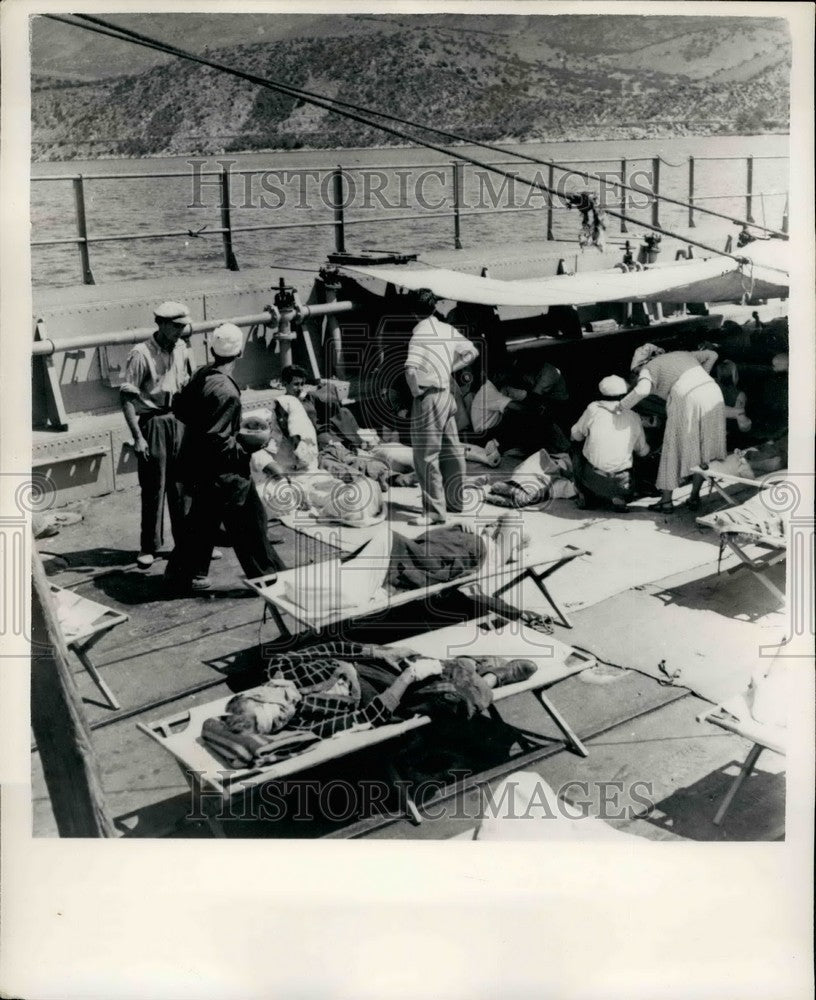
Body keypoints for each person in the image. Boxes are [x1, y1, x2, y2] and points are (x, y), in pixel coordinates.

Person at [201, 641, 538, 766]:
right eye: (277, 725)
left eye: (275, 713)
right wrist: (409, 679)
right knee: (452, 702)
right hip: (390, 698)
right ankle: (494, 675)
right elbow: (368, 718)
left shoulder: (282, 667)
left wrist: (382, 652)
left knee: (428, 667)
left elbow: (333, 648)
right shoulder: (305, 725)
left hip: (370, 669)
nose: (285, 716)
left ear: (262, 693)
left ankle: (468, 669)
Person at [165, 323, 284, 593]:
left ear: (213, 349)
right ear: (240, 352)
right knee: (250, 524)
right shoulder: (226, 392)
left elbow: (181, 408)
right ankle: (266, 578)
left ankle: (185, 575)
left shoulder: (202, 374)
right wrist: (253, 444)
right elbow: (218, 443)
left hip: (197, 466)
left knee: (201, 523)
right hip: (224, 473)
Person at [120, 301, 192, 569]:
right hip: (153, 423)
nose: (180, 332)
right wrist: (138, 437)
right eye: (175, 327)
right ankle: (149, 546)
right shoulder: (141, 354)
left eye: (182, 327)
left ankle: (187, 542)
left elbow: (186, 383)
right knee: (154, 487)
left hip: (179, 419)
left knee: (183, 487)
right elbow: (126, 398)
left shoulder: (183, 348)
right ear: (160, 324)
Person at [619, 343, 726, 513]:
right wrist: (700, 376)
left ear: (640, 365)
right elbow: (712, 354)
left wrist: (620, 407)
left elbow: (642, 391)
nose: (638, 375)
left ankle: (666, 501)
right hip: (712, 392)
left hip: (686, 398)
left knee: (672, 449)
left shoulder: (648, 368)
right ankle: (694, 497)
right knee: (703, 448)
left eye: (636, 373)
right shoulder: (682, 353)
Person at [404, 289, 479, 526]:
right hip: (448, 395)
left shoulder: (419, 336)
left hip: (429, 397)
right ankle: (456, 501)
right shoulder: (445, 329)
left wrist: (416, 391)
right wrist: (450, 367)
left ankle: (435, 511)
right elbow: (472, 352)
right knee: (452, 449)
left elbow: (411, 370)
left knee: (425, 456)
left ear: (414, 313)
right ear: (433, 308)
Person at [570, 375, 650, 510]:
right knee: (637, 452)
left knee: (575, 445)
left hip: (593, 479)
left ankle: (585, 493)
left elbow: (575, 435)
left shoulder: (593, 409)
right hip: (622, 483)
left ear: (600, 393)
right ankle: (620, 495)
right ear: (625, 395)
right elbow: (643, 451)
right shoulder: (634, 416)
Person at [713, 359, 752, 449]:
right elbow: (743, 426)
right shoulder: (739, 394)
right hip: (727, 439)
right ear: (735, 375)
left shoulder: (713, 387)